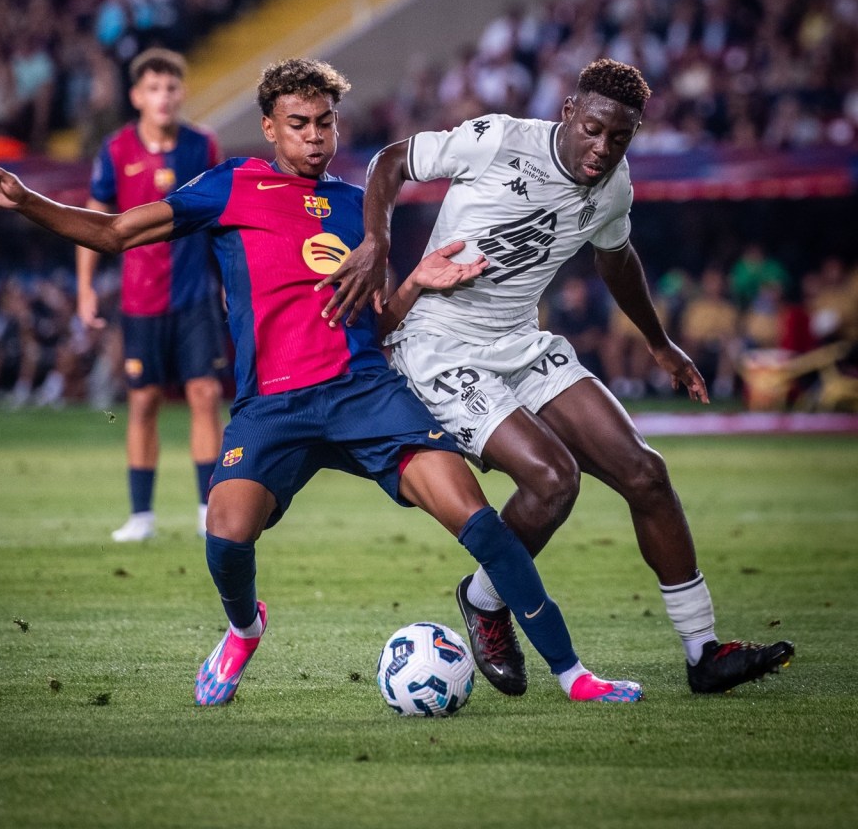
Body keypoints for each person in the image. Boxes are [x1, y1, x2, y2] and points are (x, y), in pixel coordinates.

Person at [0, 57, 641, 707]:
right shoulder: (231, 187)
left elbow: (379, 326)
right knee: (225, 539)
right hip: (275, 405)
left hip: (364, 394)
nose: (315, 136)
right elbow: (114, 232)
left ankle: (573, 674)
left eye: (325, 122)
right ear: (270, 127)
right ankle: (243, 630)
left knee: (482, 525)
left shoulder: (358, 209)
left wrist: (412, 284)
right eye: (299, 123)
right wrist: (24, 200)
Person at [321, 58, 795, 695]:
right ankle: (490, 603)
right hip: (440, 347)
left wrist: (659, 343)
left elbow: (616, 256)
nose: (602, 149)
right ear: (569, 112)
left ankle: (702, 651)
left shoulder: (614, 187)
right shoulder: (499, 139)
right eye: (594, 129)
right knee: (552, 480)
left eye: (619, 138)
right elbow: (391, 160)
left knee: (647, 474)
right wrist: (376, 243)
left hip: (521, 342)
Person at [77, 48, 226, 542]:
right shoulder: (116, 150)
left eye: (171, 88)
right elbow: (94, 223)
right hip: (139, 301)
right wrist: (84, 290)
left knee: (204, 395)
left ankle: (209, 509)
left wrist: (230, 283)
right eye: (154, 89)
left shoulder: (203, 147)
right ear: (137, 96)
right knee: (142, 403)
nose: (163, 97)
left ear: (181, 93)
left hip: (194, 297)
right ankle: (141, 515)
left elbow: (224, 220)